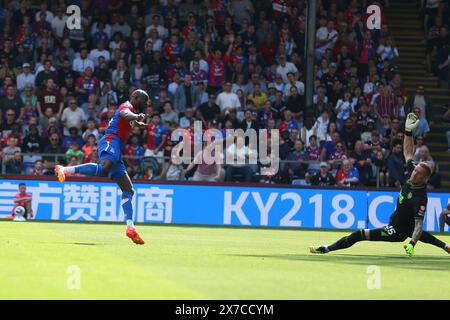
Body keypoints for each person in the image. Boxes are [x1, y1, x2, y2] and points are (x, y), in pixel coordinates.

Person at [310, 113, 450, 256]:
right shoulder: (412, 172)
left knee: (361, 234)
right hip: (403, 225)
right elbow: (408, 153)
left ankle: (326, 249)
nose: (414, 173)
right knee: (415, 231)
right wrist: (408, 132)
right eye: (415, 170)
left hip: (396, 231)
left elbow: (419, 225)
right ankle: (446, 246)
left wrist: (412, 244)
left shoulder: (420, 197)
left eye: (418, 173)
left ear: (424, 179)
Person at [55, 89, 150, 245]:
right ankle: (65, 169)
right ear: (136, 98)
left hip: (117, 146)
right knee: (104, 168)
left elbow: (127, 120)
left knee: (128, 189)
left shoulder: (131, 110)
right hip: (111, 140)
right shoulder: (127, 106)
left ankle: (130, 228)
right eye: (143, 102)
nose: (144, 105)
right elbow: (126, 115)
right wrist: (136, 117)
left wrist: (139, 123)